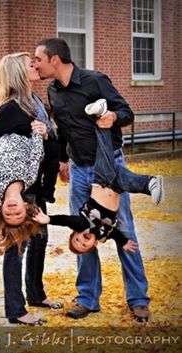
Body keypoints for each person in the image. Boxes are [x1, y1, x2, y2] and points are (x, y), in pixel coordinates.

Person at [35, 37, 152, 322]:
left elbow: (127, 113)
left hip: (109, 167)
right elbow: (63, 130)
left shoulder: (95, 81)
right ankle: (87, 298)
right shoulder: (53, 91)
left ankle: (138, 300)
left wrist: (113, 116)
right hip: (78, 168)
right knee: (82, 232)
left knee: (124, 230)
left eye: (38, 59)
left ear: (55, 59)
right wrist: (63, 159)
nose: (34, 64)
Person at [0, 52, 62, 326]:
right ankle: (16, 310)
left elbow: (46, 140)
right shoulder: (10, 108)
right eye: (29, 64)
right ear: (18, 72)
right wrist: (13, 151)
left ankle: (36, 295)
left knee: (40, 241)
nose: (35, 65)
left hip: (36, 183)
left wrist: (43, 136)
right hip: (20, 186)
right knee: (16, 248)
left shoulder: (36, 103)